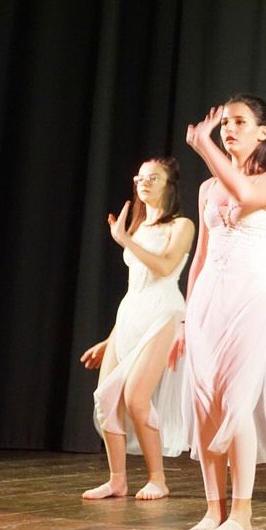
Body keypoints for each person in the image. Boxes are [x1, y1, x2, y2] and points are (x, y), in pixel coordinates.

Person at [171, 94, 266, 530]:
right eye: (225, 123)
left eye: (239, 122)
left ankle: (242, 513)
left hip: (253, 293)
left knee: (235, 401)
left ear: (263, 132)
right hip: (209, 296)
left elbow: (244, 192)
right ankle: (213, 509)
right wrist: (185, 319)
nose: (229, 129)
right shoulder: (206, 190)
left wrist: (204, 144)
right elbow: (201, 256)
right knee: (205, 403)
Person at [80, 157, 194, 501]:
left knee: (135, 397)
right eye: (140, 177)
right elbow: (135, 288)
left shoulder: (182, 225)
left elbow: (165, 266)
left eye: (152, 178)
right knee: (106, 398)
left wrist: (124, 240)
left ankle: (157, 478)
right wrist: (110, 339)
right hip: (131, 312)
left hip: (164, 312)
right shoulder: (139, 227)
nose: (143, 182)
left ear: (169, 185)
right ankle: (117, 480)